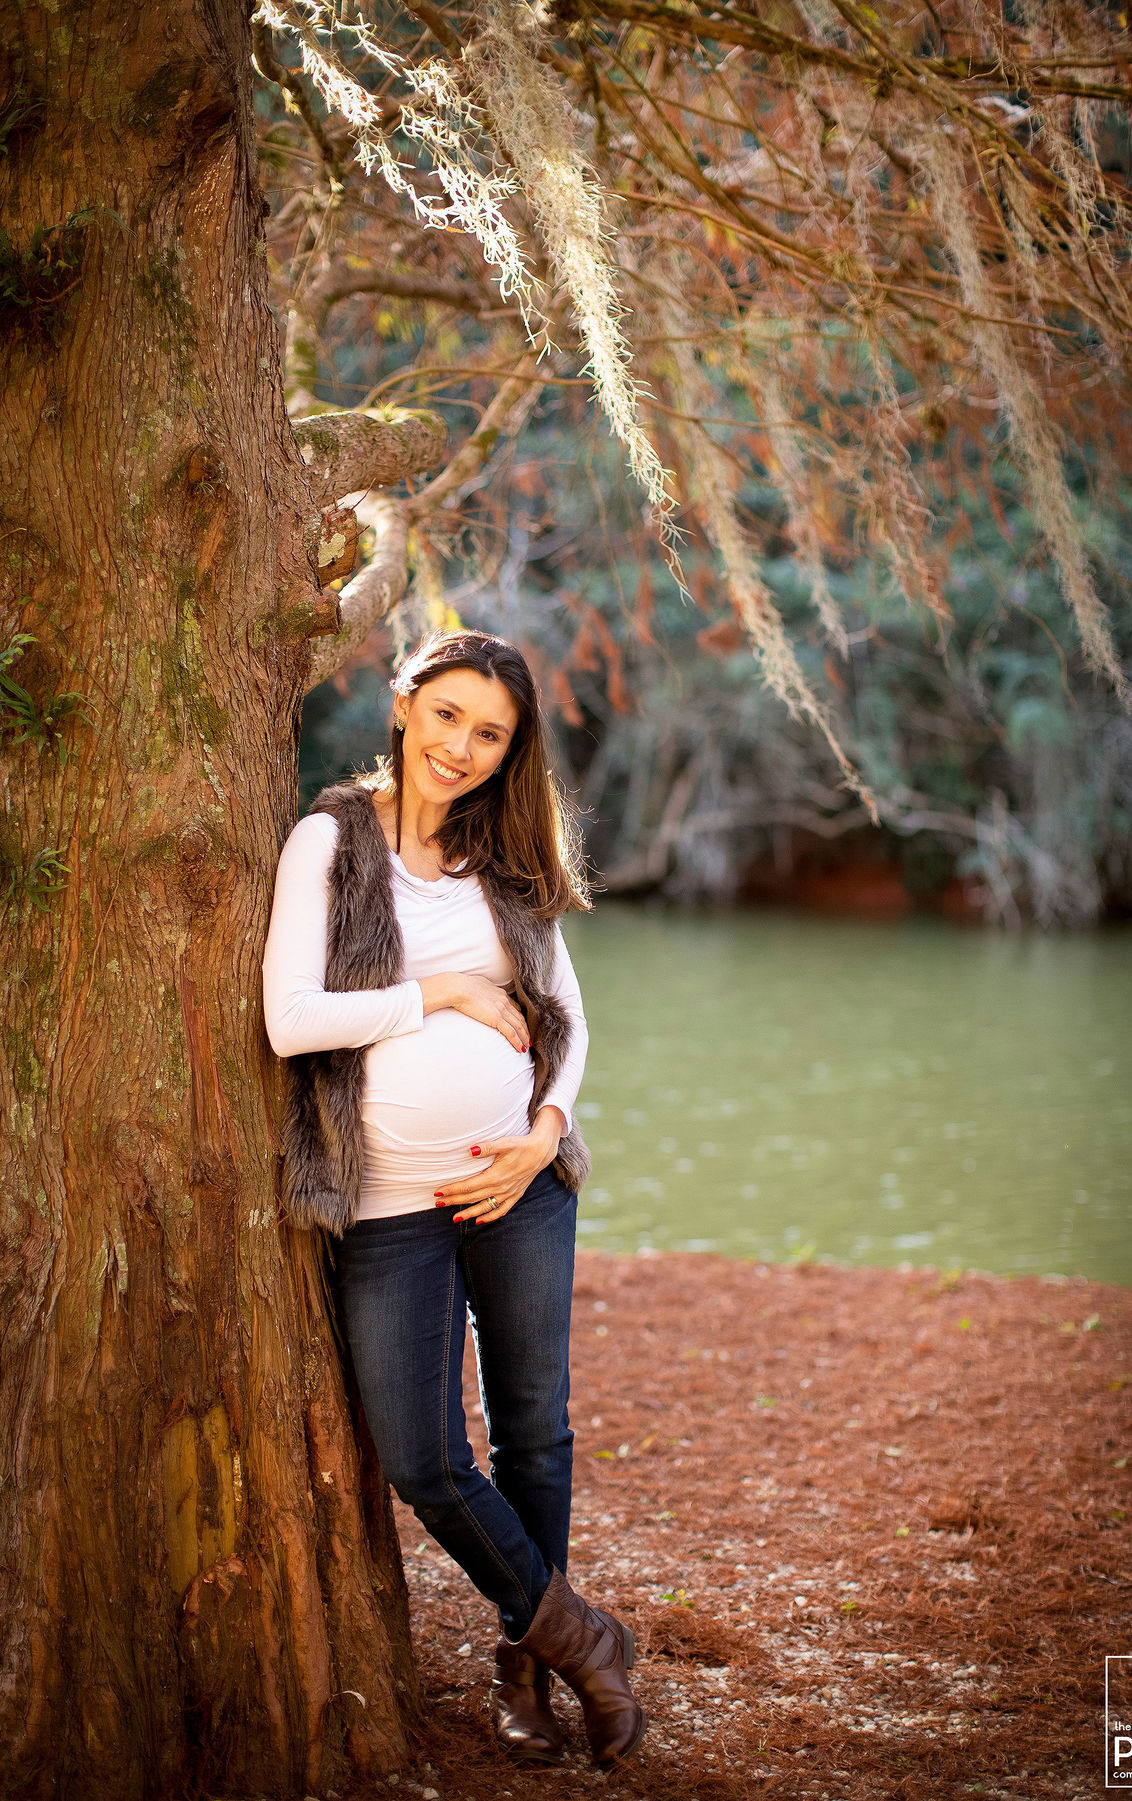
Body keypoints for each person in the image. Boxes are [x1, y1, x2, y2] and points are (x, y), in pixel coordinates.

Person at [261, 628, 646, 1769]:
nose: (462, 748)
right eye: (447, 717)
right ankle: (581, 1637)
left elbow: (570, 1020)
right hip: (387, 1198)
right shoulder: (329, 839)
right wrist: (443, 991)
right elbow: (291, 1019)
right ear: (403, 702)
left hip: (521, 1186)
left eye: (490, 734)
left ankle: (526, 1670)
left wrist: (544, 1135)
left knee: (535, 1429)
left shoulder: (506, 854)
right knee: (423, 1457)